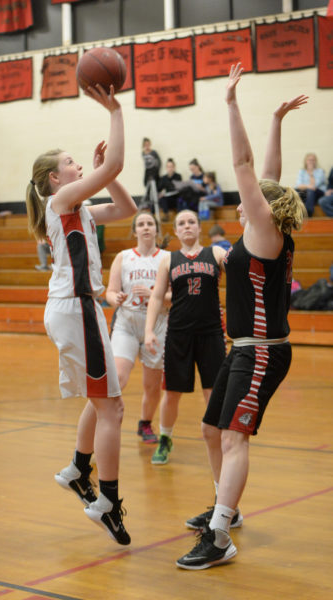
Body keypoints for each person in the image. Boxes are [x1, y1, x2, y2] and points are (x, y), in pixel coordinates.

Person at [176, 64, 307, 570]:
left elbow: (246, 163)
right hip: (244, 349)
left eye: (251, 198)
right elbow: (268, 172)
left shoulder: (265, 234)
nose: (244, 199)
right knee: (213, 429)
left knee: (234, 436)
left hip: (262, 352)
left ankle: (220, 535)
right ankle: (223, 506)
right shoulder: (266, 229)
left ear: (261, 209)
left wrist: (230, 103)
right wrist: (276, 118)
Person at [25, 83, 137, 546]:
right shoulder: (61, 202)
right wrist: (114, 109)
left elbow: (129, 208)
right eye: (71, 163)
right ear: (56, 178)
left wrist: (102, 173)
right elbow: (114, 162)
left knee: (102, 401)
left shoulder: (79, 207)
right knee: (112, 407)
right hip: (77, 308)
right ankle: (106, 497)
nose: (77, 166)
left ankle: (77, 468)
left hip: (77, 309)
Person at [145, 209, 227, 465]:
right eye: (182, 223)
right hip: (179, 333)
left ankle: (219, 438)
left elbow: (240, 272)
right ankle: (165, 439)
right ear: (177, 231)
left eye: (192, 221)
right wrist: (148, 330)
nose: (187, 226)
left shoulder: (215, 253)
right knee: (172, 393)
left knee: (213, 392)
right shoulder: (169, 260)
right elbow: (157, 297)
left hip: (211, 333)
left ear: (200, 227)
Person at [106, 210, 170, 444]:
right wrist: (116, 298)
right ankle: (106, 419)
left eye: (149, 224)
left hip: (157, 324)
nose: (145, 227)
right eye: (140, 224)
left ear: (156, 230)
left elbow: (176, 296)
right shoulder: (123, 257)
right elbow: (110, 292)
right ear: (134, 231)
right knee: (118, 377)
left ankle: (145, 423)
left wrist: (155, 294)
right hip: (127, 323)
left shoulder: (167, 257)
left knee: (152, 386)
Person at [295, 152, 326, 217]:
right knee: (294, 191)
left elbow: (314, 186)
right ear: (306, 161)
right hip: (306, 192)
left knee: (310, 191)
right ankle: (295, 213)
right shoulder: (302, 171)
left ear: (315, 161)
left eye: (313, 160)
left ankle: (308, 213)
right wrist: (307, 186)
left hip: (318, 192)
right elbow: (299, 185)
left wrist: (311, 173)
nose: (311, 161)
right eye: (309, 160)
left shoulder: (320, 171)